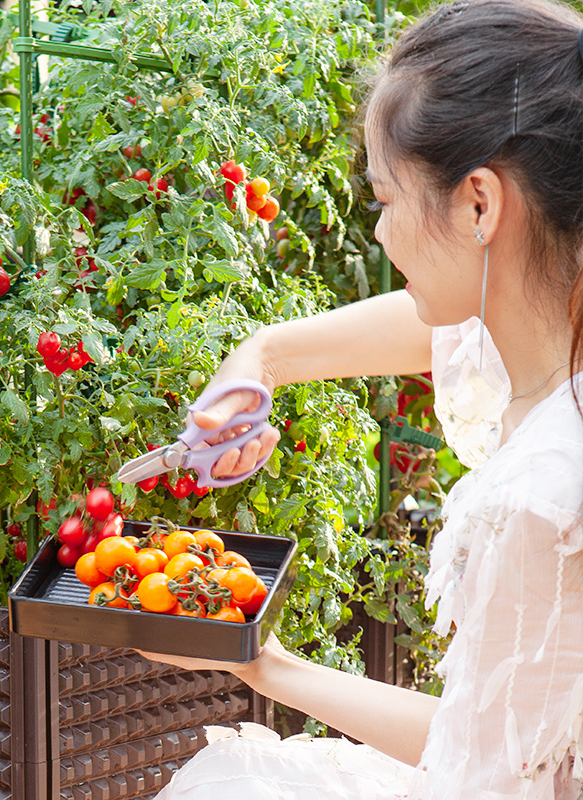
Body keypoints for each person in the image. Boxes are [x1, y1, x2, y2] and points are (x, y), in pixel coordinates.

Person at [139, 0, 583, 797]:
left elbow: (486, 775)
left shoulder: (545, 501)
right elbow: (429, 331)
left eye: (384, 199)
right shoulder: (544, 338)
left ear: (479, 204)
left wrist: (259, 659)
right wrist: (262, 358)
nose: (379, 235)